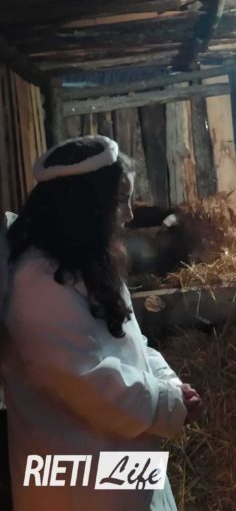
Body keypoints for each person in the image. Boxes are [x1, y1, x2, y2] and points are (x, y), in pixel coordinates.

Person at [0, 135, 201, 510]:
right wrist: (167, 403)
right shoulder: (36, 281)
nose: (129, 215)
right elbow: (89, 383)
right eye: (119, 200)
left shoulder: (87, 263)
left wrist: (172, 385)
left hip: (123, 465)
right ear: (84, 204)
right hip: (77, 480)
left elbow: (134, 343)